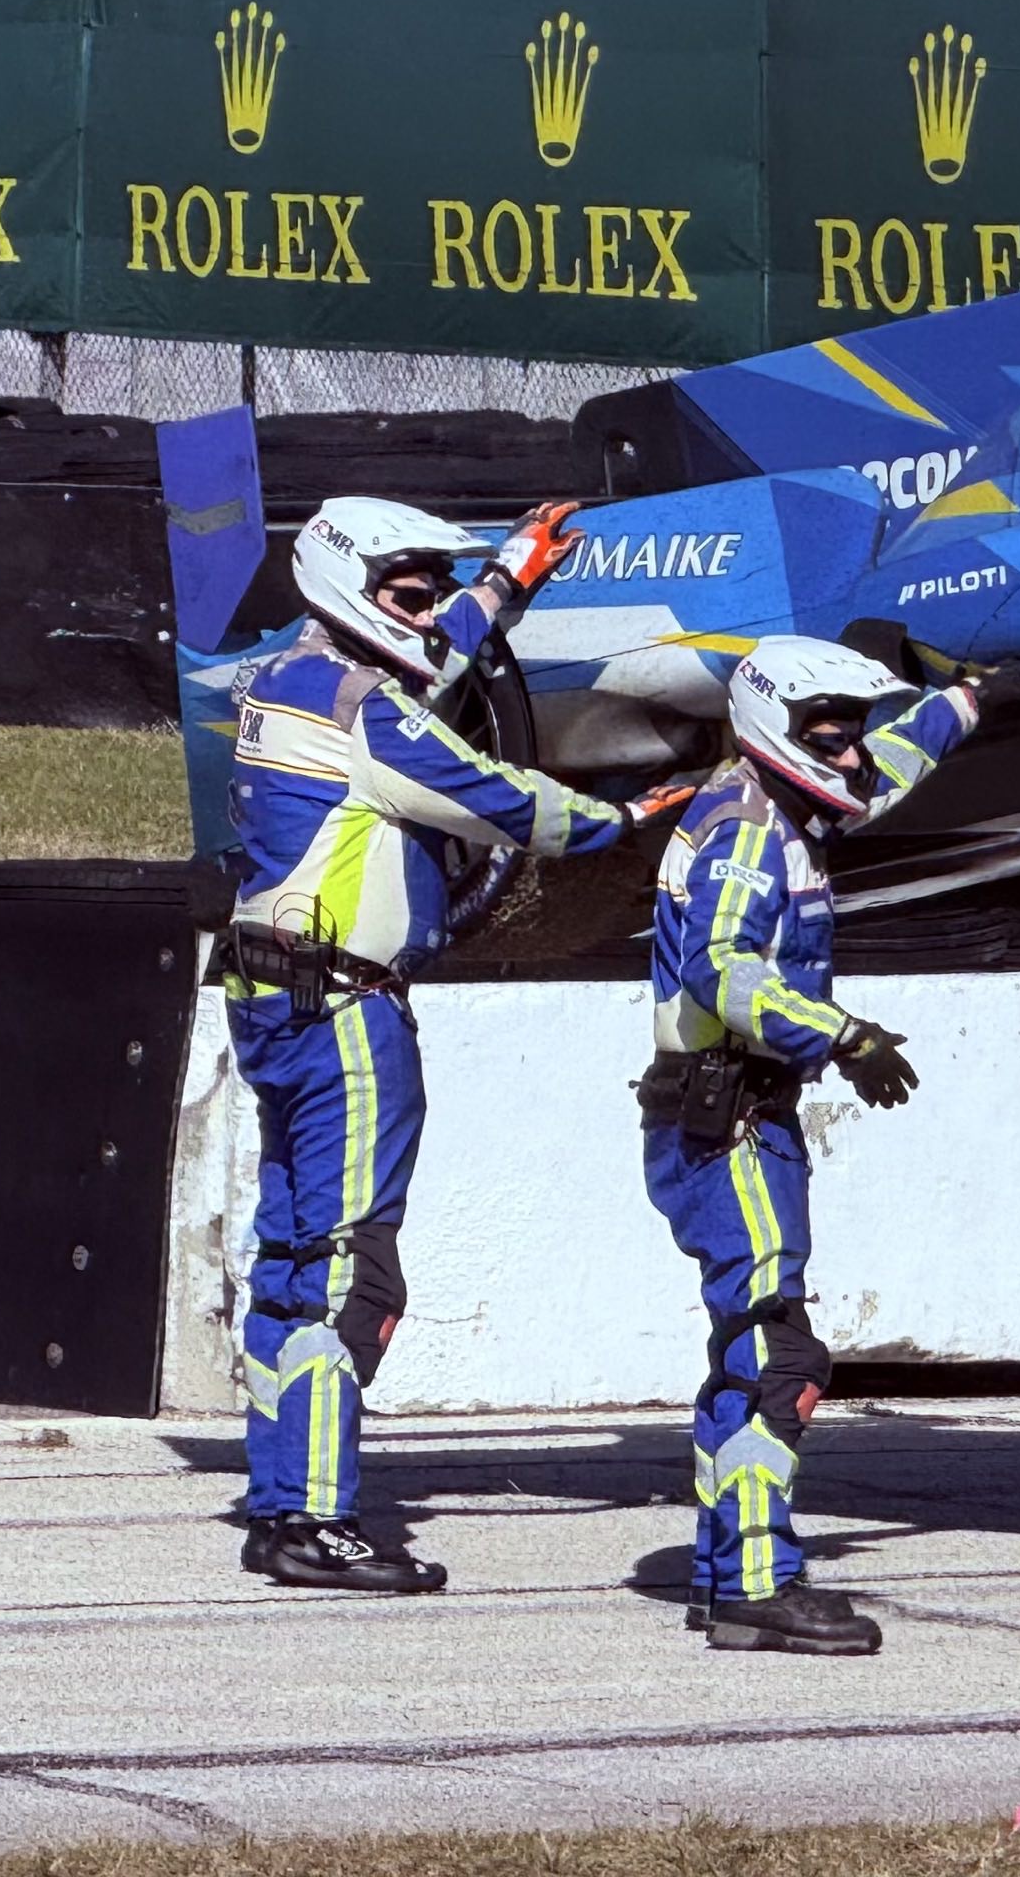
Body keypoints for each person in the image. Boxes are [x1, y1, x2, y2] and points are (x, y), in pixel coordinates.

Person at [229, 495, 690, 1592]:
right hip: (346, 1012)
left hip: (269, 998)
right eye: (410, 590)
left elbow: (423, 661)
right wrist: (626, 820)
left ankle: (278, 1497)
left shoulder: (290, 678)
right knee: (352, 1270)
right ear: (349, 587)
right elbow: (503, 800)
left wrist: (506, 586)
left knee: (290, 1261)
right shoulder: (373, 720)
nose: (430, 610)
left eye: (437, 590)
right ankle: (318, 1518)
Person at [643, 634, 1020, 1654]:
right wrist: (843, 1035)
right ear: (774, 728)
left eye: (853, 731)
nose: (851, 752)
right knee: (778, 1354)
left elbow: (883, 767)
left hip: (737, 1111)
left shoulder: (787, 806)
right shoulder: (744, 831)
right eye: (829, 734)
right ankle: (758, 1581)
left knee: (750, 1351)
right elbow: (724, 971)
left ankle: (727, 1578)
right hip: (727, 1117)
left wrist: (967, 703)